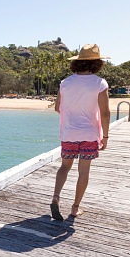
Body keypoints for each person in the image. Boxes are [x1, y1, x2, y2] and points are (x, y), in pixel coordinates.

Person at [50, 44, 111, 220]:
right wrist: (105, 137)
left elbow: (57, 108)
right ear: (98, 63)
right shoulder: (100, 83)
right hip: (90, 135)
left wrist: (72, 116)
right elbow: (105, 112)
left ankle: (56, 197)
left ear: (77, 62)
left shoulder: (65, 82)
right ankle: (75, 208)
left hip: (69, 133)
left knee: (64, 166)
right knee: (83, 171)